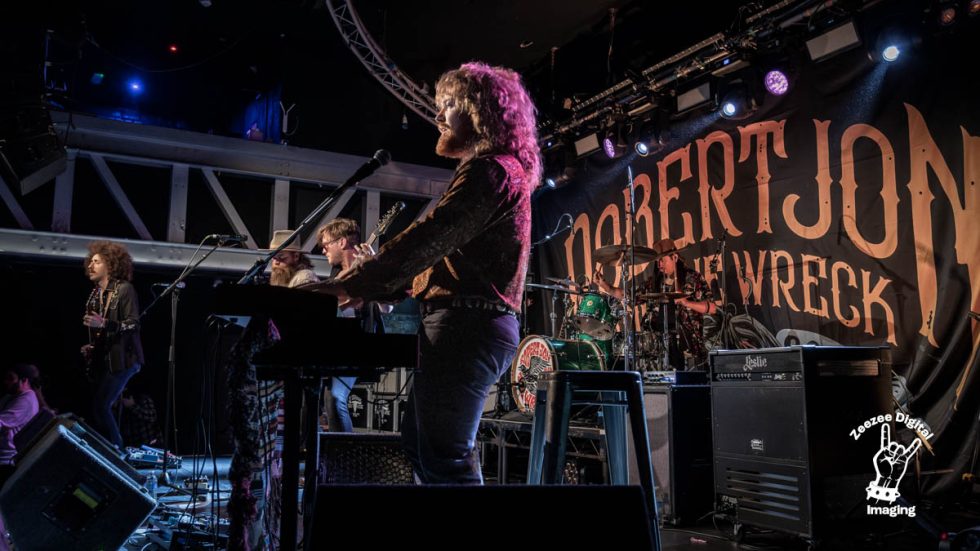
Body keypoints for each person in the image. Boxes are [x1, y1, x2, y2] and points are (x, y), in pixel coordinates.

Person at [308, 61, 540, 484]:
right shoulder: (498, 171)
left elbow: (430, 237)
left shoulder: (491, 169)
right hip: (465, 323)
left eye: (448, 104)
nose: (438, 115)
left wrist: (350, 285)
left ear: (479, 110)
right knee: (422, 447)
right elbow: (438, 256)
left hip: (466, 325)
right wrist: (369, 286)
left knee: (443, 456)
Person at [316, 218, 387, 433]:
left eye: (326, 244)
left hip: (359, 349)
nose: (323, 250)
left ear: (342, 242)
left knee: (335, 398)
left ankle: (345, 449)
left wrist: (373, 270)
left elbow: (387, 307)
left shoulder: (368, 267)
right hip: (335, 349)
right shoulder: (334, 276)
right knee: (317, 397)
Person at [81, 240, 144, 449]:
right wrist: (93, 347)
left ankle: (116, 449)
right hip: (107, 359)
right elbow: (103, 332)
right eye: (90, 262)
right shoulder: (96, 294)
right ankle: (109, 447)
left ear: (110, 265)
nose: (90, 265)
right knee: (98, 407)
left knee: (101, 405)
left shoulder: (124, 289)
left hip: (125, 359)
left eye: (97, 262)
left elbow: (133, 324)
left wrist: (104, 323)